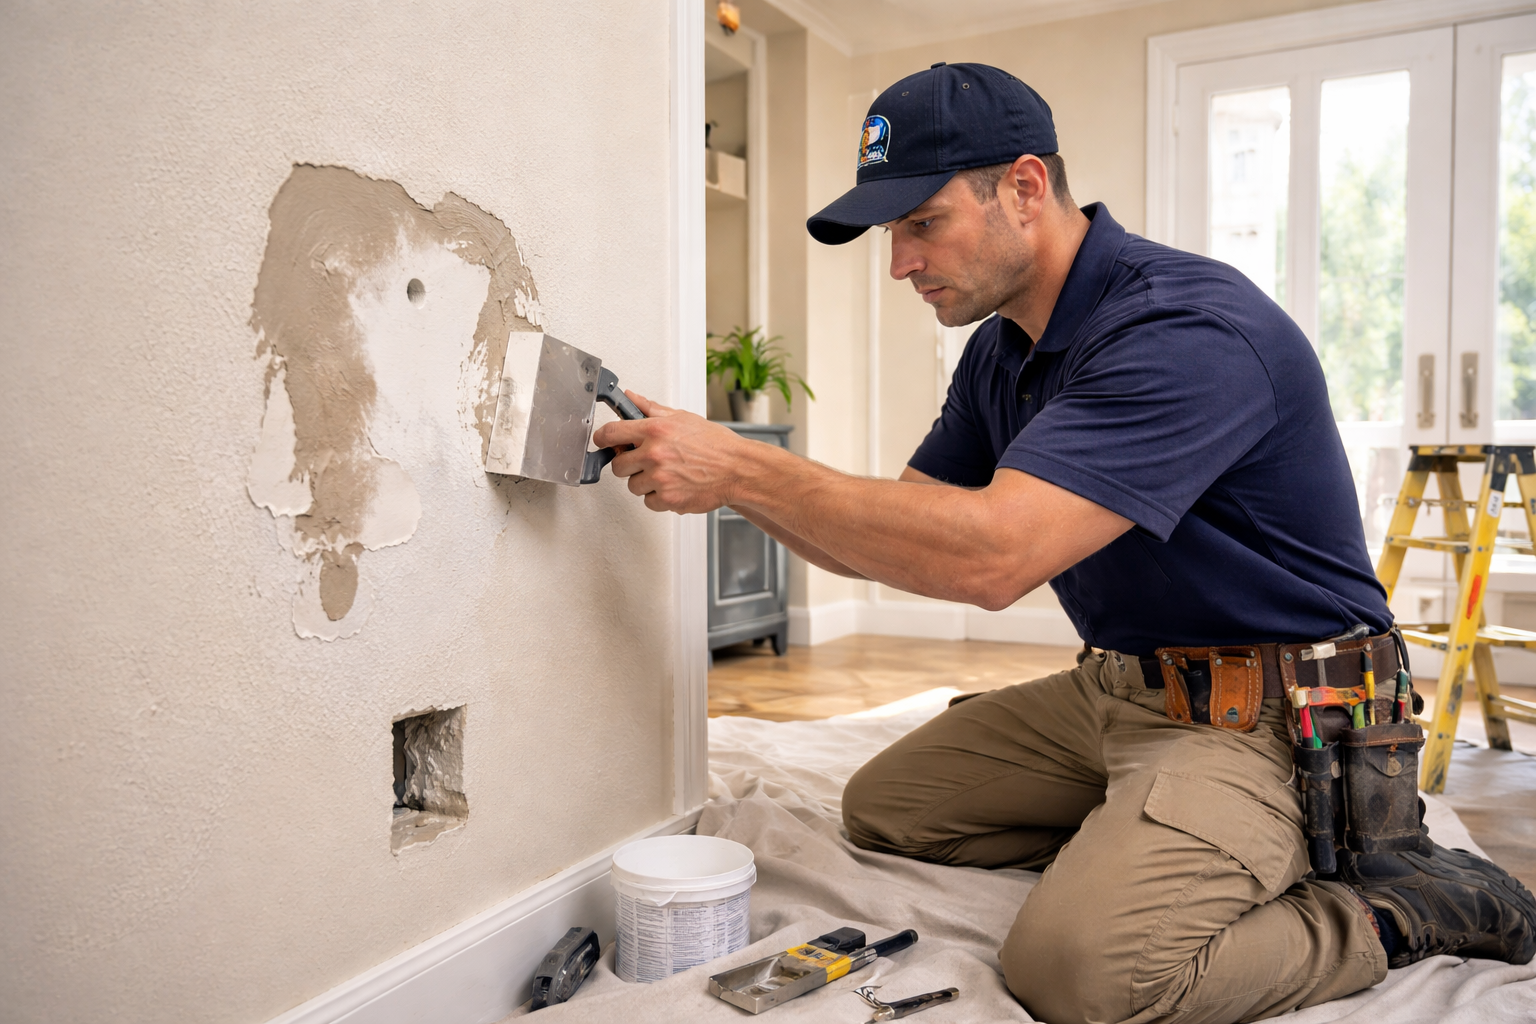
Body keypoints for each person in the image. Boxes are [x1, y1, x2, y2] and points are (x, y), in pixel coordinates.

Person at [593, 62, 1536, 1023]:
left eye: (922, 224)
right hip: (1123, 686)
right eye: (891, 235)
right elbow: (905, 538)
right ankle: (1153, 843)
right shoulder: (1000, 350)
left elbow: (990, 559)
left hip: (1276, 714)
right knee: (890, 806)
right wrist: (723, 479)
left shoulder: (1184, 327)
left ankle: (1397, 910)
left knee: (1084, 975)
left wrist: (744, 469)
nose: (899, 264)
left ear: (1026, 187)